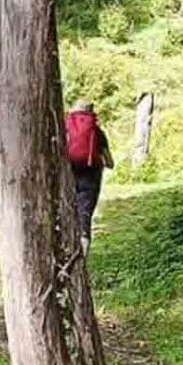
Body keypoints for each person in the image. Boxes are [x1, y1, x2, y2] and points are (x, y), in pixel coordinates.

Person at [65, 100, 114, 256]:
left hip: (69, 174)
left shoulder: (65, 129)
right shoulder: (97, 132)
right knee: (84, 212)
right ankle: (84, 249)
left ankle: (66, 249)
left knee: (68, 210)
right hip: (91, 175)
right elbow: (110, 162)